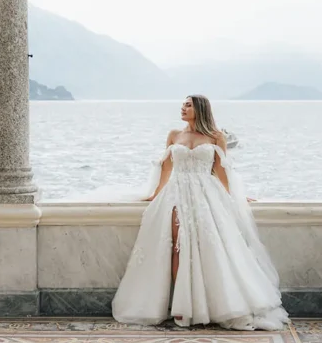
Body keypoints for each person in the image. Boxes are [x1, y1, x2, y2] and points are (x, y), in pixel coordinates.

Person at [112, 94, 288, 330]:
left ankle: (212, 305)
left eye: (188, 105)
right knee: (176, 246)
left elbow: (221, 170)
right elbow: (166, 167)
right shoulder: (174, 135)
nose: (183, 108)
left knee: (210, 247)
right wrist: (156, 194)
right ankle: (181, 307)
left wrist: (233, 194)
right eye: (183, 104)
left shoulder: (216, 136)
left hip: (206, 195)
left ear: (200, 109)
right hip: (176, 194)